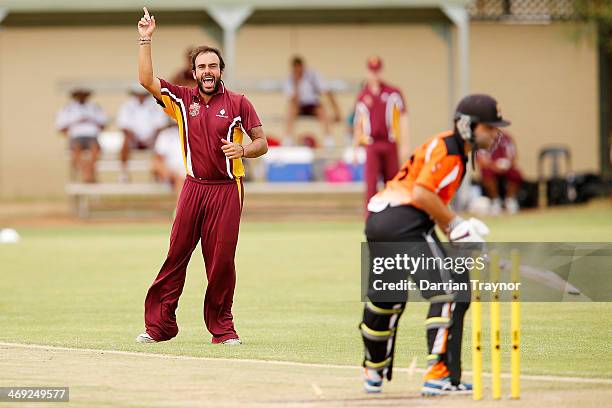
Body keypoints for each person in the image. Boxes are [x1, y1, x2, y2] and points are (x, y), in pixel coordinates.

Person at [360, 94, 509, 396]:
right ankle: (440, 374)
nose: (495, 134)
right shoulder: (451, 154)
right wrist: (456, 225)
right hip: (405, 220)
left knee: (386, 297)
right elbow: (423, 195)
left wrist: (460, 235)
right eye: (489, 128)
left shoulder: (445, 144)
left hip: (379, 220)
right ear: (468, 126)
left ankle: (372, 372)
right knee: (453, 288)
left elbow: (432, 201)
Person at [135, 7, 268, 345]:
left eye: (213, 66)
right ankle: (159, 327)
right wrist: (145, 39)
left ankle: (223, 329)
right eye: (201, 67)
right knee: (176, 254)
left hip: (227, 190)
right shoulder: (182, 100)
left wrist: (243, 151)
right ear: (193, 72)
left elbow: (262, 142)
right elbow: (146, 81)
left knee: (221, 261)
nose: (207, 71)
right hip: (193, 188)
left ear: (221, 70)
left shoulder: (239, 103)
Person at [353, 56, 409, 209]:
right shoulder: (363, 96)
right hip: (372, 144)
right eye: (372, 71)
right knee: (371, 183)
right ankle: (370, 217)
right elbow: (358, 123)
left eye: (377, 71)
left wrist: (404, 144)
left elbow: (403, 118)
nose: (374, 75)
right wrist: (355, 147)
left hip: (389, 142)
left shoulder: (393, 93)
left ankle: (393, 215)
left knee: (392, 182)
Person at [284, 56, 341, 147]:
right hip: (299, 105)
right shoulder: (290, 79)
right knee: (291, 109)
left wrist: (337, 111)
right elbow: (293, 99)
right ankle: (288, 138)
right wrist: (296, 84)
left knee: (322, 110)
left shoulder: (313, 75)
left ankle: (328, 139)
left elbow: (327, 92)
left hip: (313, 104)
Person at [117, 84, 167, 182]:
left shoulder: (156, 105)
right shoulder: (127, 106)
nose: (140, 96)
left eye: (142, 94)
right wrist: (132, 136)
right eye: (138, 94)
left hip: (152, 138)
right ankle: (124, 172)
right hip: (133, 138)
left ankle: (157, 174)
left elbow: (160, 125)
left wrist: (152, 137)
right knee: (125, 142)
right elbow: (123, 125)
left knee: (160, 143)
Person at [56, 88, 107, 183]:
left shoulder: (95, 108)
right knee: (76, 149)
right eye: (79, 95)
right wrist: (76, 122)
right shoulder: (67, 109)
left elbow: (103, 124)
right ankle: (87, 173)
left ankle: (87, 173)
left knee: (95, 149)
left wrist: (90, 120)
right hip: (76, 136)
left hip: (91, 135)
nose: (81, 97)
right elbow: (61, 128)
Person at [476, 131, 522, 214]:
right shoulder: (483, 139)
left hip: (505, 166)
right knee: (486, 172)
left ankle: (509, 200)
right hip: (490, 166)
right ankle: (495, 200)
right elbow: (481, 158)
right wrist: (494, 165)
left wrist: (506, 163)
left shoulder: (506, 138)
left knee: (516, 173)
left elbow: (513, 155)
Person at [152, 119, 185, 206]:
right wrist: (168, 173)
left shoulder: (195, 133)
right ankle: (180, 210)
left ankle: (181, 212)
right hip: (172, 173)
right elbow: (157, 160)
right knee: (180, 180)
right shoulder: (166, 135)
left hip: (190, 173)